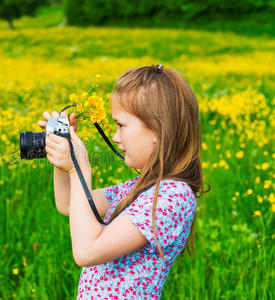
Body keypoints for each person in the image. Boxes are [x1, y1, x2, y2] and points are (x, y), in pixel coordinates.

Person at [37, 65, 207, 299]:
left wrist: (79, 168)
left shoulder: (173, 196)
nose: (115, 137)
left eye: (121, 125)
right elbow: (68, 204)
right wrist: (61, 154)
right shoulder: (138, 188)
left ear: (158, 129)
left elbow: (87, 251)